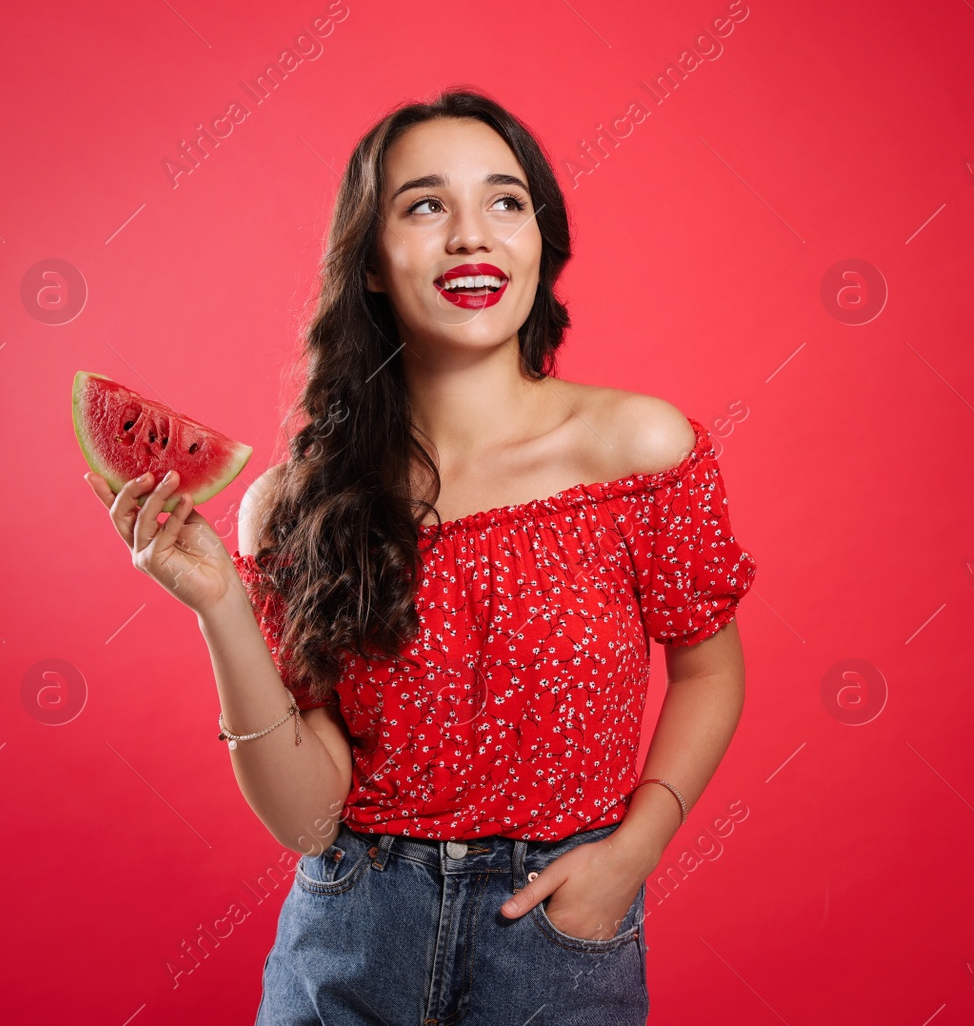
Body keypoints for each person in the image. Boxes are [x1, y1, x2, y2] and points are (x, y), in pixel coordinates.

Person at [83, 86, 757, 1024]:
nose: (471, 235)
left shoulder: (641, 449)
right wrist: (219, 606)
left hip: (558, 941)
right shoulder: (293, 504)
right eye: (427, 205)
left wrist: (634, 850)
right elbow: (309, 819)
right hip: (350, 938)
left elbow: (709, 673)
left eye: (506, 202)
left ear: (539, 243)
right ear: (368, 262)